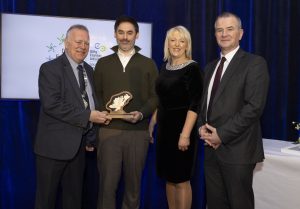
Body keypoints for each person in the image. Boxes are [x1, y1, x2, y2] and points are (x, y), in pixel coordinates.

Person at [197, 12, 269, 209]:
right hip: (211, 151)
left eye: (230, 29)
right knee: (215, 204)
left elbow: (253, 108)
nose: (224, 34)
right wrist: (201, 127)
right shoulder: (210, 67)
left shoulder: (255, 63)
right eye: (219, 30)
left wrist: (221, 134)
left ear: (241, 33)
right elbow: (204, 104)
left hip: (238, 151)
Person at [34, 24, 110, 209]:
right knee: (46, 200)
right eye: (78, 42)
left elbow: (90, 102)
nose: (82, 46)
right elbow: (52, 105)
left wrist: (91, 137)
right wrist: (89, 116)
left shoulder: (89, 71)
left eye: (86, 43)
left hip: (78, 149)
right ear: (67, 43)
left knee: (74, 200)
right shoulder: (50, 68)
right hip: (53, 149)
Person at [93, 15, 158, 209]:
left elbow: (155, 97)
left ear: (136, 35)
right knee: (106, 187)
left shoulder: (148, 64)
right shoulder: (103, 63)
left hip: (138, 133)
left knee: (133, 189)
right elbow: (96, 95)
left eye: (129, 33)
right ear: (115, 34)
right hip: (108, 132)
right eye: (121, 32)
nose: (125, 37)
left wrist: (142, 113)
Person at [149, 26, 203, 209]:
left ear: (187, 44)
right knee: (169, 179)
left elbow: (195, 104)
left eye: (181, 40)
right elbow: (162, 101)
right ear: (167, 43)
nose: (177, 44)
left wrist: (185, 134)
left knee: (181, 180)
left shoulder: (192, 68)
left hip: (182, 131)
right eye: (173, 40)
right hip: (164, 133)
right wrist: (151, 125)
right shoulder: (165, 66)